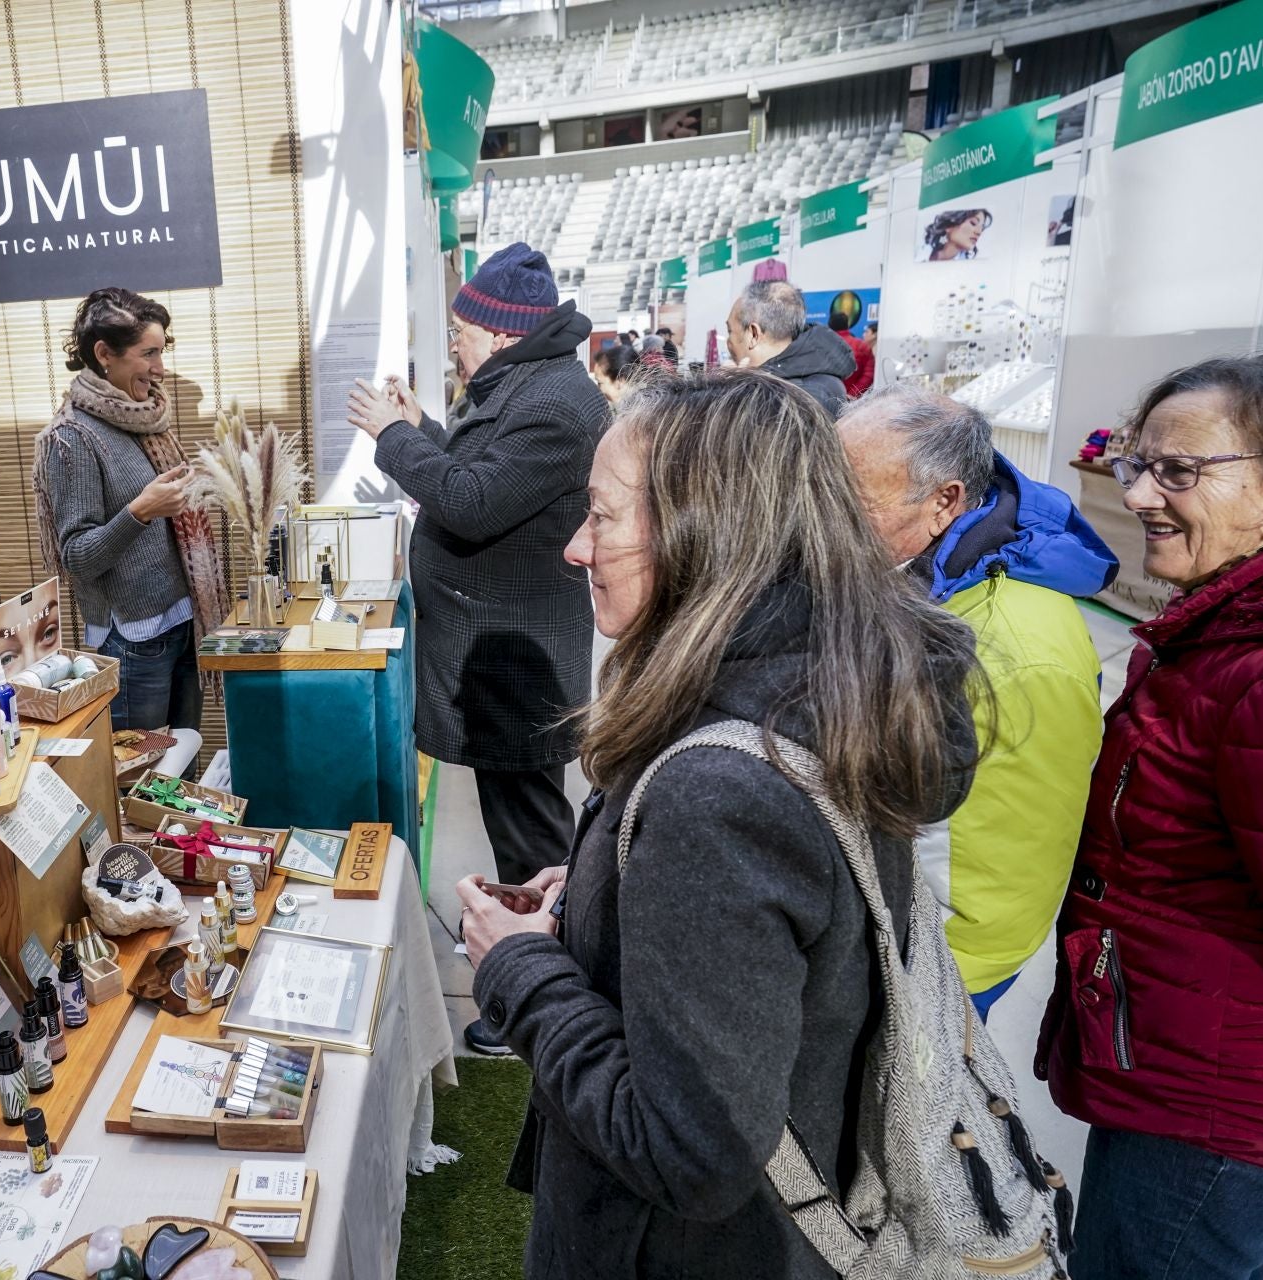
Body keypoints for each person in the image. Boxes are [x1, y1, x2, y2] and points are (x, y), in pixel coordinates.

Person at [457, 370, 978, 1277]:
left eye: (604, 515)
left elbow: (690, 1152)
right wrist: (594, 897)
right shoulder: (822, 689)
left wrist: (517, 966)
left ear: (714, 534)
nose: (578, 548)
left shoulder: (723, 789)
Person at [1039, 354, 1263, 1280]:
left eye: (1179, 471)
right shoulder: (1226, 635)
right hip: (1189, 1076)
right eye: (1135, 463)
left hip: (1220, 1104)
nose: (1143, 493)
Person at [346, 242, 606, 1057]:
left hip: (516, 660)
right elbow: (478, 468)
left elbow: (470, 499)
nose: (453, 340)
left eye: (460, 328)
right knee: (523, 825)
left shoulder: (557, 403)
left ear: (498, 335)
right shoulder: (531, 383)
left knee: (533, 840)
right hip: (504, 655)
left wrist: (391, 435)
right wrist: (422, 424)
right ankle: (542, 970)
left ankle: (544, 994)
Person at [839, 386, 1114, 1018]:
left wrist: (929, 985)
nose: (825, 516)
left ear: (945, 501)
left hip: (936, 966)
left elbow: (1007, 866)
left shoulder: (1015, 650)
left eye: (851, 499)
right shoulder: (920, 576)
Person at [33, 287, 230, 738]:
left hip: (182, 622)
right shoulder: (71, 439)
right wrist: (140, 511)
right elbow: (77, 556)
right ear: (105, 354)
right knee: (140, 780)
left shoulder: (144, 417)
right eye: (149, 353)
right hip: (133, 640)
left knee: (180, 769)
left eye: (162, 351)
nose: (160, 368)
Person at [725, 280, 857, 417]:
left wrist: (730, 390)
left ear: (754, 334)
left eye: (730, 331)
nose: (728, 342)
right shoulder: (817, 381)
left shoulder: (790, 401)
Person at [831, 312, 876, 399]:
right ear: (847, 325)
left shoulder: (823, 344)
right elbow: (869, 374)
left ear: (830, 324)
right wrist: (852, 394)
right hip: (851, 401)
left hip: (826, 398)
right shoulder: (861, 345)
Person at [924, 208, 993, 261]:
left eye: (982, 228)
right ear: (949, 226)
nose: (979, 232)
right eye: (973, 223)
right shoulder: (920, 251)